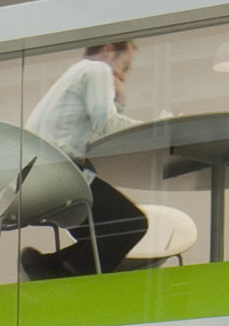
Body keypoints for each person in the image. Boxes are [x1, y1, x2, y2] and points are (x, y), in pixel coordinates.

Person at [20, 37, 149, 278]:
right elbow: (106, 123)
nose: (124, 76)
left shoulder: (74, 74)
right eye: (125, 66)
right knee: (133, 225)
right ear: (109, 51)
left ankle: (43, 266)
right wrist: (124, 104)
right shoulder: (96, 68)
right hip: (59, 176)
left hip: (33, 178)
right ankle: (59, 272)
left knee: (104, 236)